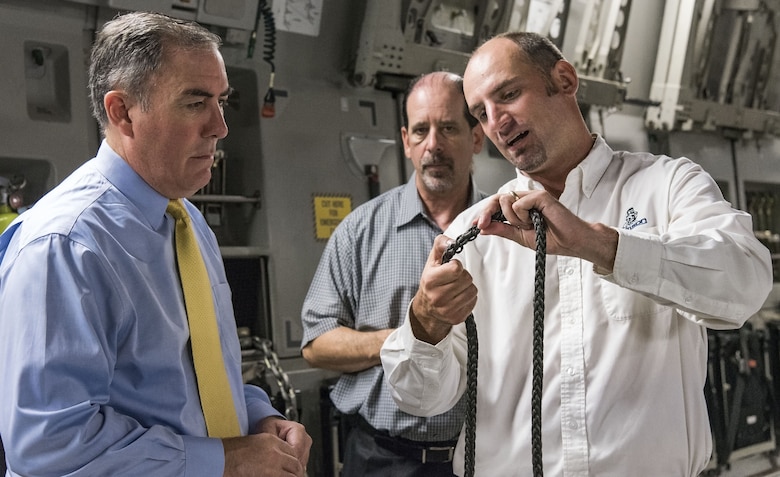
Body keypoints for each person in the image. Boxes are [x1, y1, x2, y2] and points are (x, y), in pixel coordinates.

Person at [380, 31, 774, 476]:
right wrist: (425, 321)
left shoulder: (666, 186)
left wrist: (599, 246)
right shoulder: (476, 233)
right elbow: (421, 399)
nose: (497, 122)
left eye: (509, 94)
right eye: (480, 113)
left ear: (565, 79)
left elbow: (746, 284)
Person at [0, 11, 311, 477]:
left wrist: (258, 416)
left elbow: (192, 377)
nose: (221, 127)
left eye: (221, 101)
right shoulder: (66, 246)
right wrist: (225, 460)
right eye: (194, 103)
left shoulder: (186, 222)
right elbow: (50, 445)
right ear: (121, 111)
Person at [301, 71, 486, 476]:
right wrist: (408, 339)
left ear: (477, 138)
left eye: (449, 128)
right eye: (421, 131)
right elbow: (316, 344)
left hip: (482, 457)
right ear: (405, 141)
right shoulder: (360, 230)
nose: (433, 145)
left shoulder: (506, 229)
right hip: (381, 459)